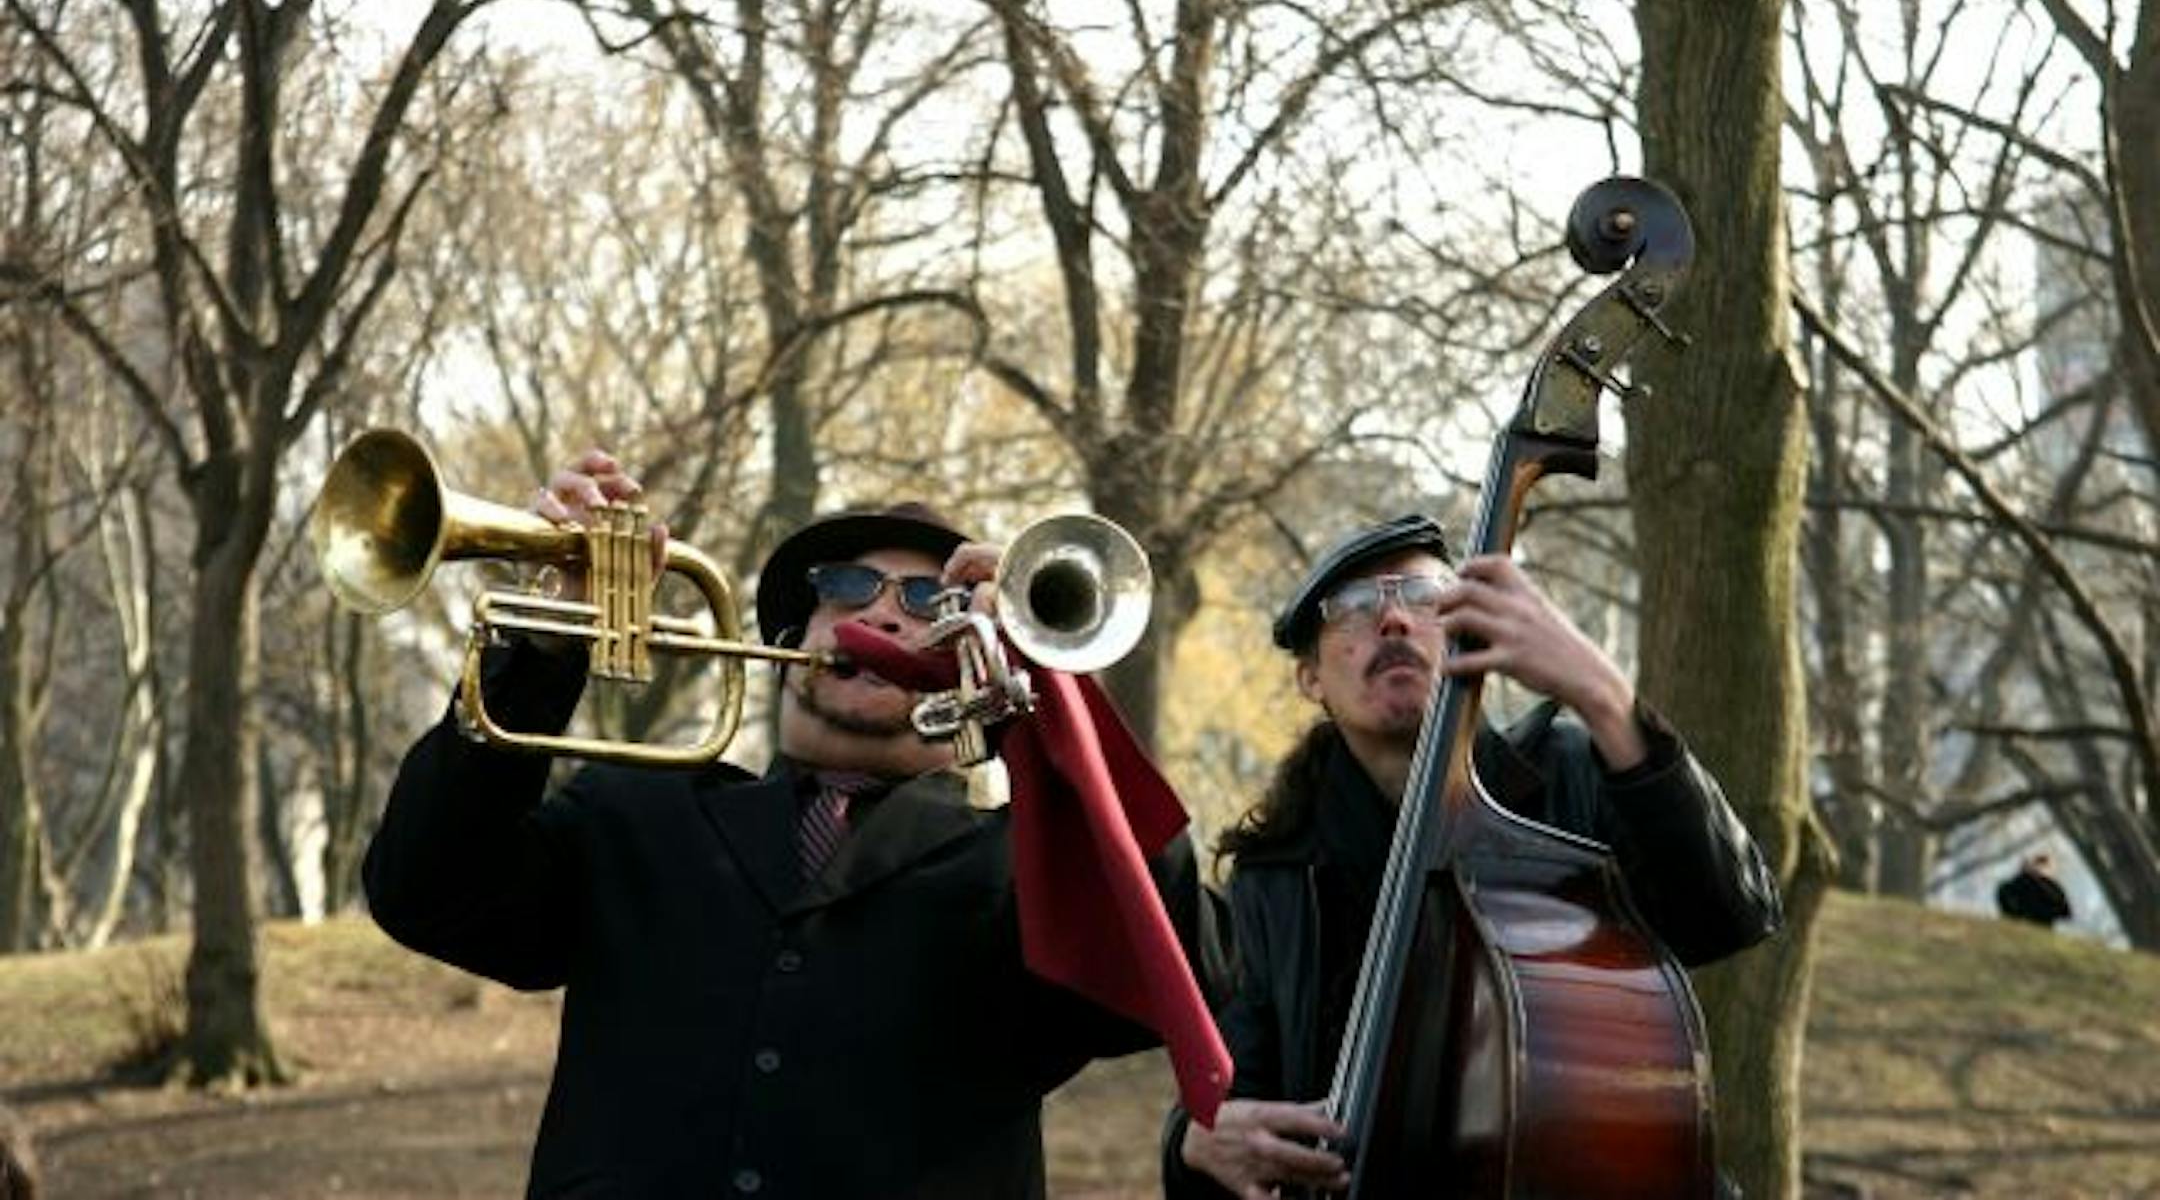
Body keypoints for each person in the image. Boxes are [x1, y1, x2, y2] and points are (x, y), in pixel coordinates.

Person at [364, 450, 1221, 1199]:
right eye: (847, 586)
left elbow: (1176, 977)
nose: (882, 615)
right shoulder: (636, 813)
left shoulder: (1024, 871)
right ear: (790, 639)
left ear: (969, 665)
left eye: (926, 598)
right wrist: (546, 649)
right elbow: (425, 890)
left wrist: (1056, 699)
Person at [1161, 513, 1784, 1198]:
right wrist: (1191, 1140)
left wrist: (1604, 695)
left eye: (1424, 595)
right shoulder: (1276, 873)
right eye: (1357, 606)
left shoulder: (1573, 770)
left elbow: (1731, 912)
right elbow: (1239, 1111)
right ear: (1310, 678)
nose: (1394, 618)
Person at [1996, 852, 2072, 928]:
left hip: (2039, 928)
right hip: (2025, 927)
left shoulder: (2051, 887)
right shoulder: (2017, 884)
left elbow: (2064, 911)